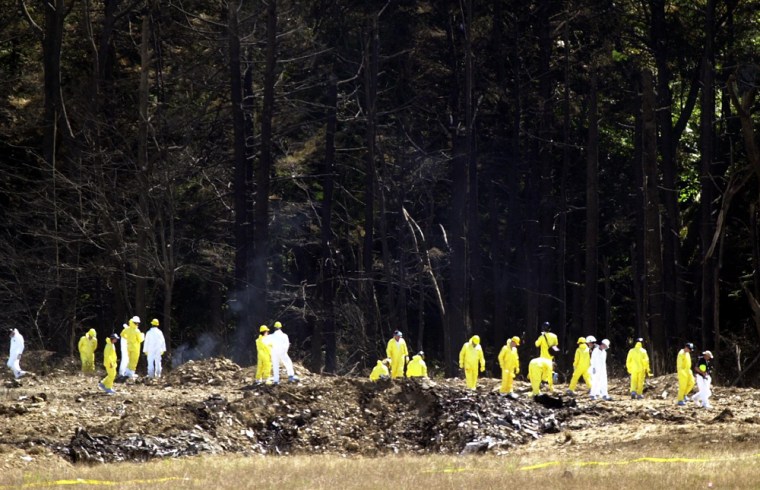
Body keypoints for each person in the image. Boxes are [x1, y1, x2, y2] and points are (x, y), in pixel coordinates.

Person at [534, 322, 559, 391]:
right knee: (549, 370)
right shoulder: (554, 336)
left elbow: (536, 344)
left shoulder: (542, 337)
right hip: (551, 356)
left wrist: (541, 337)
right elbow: (556, 344)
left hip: (543, 357)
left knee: (542, 370)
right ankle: (550, 385)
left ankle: (542, 382)